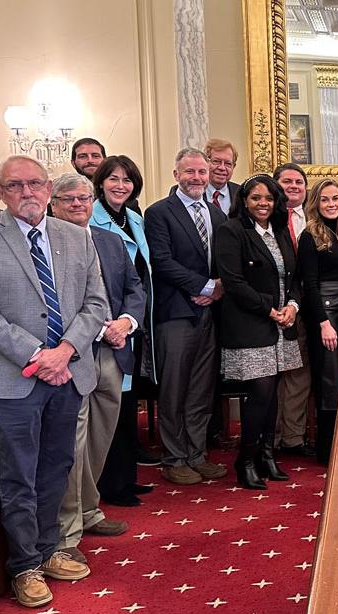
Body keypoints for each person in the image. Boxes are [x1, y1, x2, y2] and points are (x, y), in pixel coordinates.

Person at [0, 155, 108, 607]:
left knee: (57, 467)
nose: (28, 193)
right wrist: (38, 355)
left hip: (69, 372)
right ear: (2, 192)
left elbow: (96, 304)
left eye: (36, 184)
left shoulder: (76, 236)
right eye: (16, 185)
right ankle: (23, 565)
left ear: (48, 188)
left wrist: (64, 352)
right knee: (19, 473)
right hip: (10, 378)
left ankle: (50, 548)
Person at [51, 172, 145, 563]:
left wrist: (127, 322)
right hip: (73, 354)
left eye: (84, 198)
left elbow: (134, 287)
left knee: (101, 436)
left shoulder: (109, 239)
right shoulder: (48, 243)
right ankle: (67, 529)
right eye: (68, 199)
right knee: (73, 441)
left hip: (114, 351)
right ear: (53, 204)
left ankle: (89, 509)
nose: (77, 205)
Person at [145, 148, 229, 485]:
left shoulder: (216, 214)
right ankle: (174, 457)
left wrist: (217, 287)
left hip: (209, 314)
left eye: (201, 172)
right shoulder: (159, 213)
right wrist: (205, 286)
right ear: (176, 174)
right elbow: (162, 262)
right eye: (189, 172)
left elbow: (222, 260)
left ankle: (197, 454)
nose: (196, 178)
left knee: (200, 388)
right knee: (174, 389)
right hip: (176, 312)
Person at [215, 174, 302, 489]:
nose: (263, 204)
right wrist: (269, 310)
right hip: (250, 324)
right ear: (244, 201)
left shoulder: (279, 231)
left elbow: (294, 278)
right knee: (259, 393)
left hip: (281, 324)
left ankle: (267, 456)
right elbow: (233, 282)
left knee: (273, 392)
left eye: (268, 198)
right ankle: (246, 459)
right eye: (256, 198)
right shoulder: (231, 231)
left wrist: (292, 306)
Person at [88, 155, 162, 503]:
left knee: (128, 401)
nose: (121, 185)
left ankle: (126, 476)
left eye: (127, 179)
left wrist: (134, 317)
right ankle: (110, 485)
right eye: (113, 178)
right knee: (110, 405)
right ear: (100, 182)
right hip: (106, 324)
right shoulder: (91, 218)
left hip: (135, 318)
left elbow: (141, 272)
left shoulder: (134, 217)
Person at [298, 178, 338, 465]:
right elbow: (309, 283)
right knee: (329, 382)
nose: (332, 204)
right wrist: (323, 323)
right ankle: (327, 450)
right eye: (325, 199)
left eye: (336, 199)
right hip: (327, 316)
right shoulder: (310, 235)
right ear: (316, 203)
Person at [273, 162, 314, 456]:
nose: (294, 186)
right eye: (287, 181)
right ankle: (270, 437)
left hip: (310, 306)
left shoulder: (314, 217)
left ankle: (293, 437)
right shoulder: (266, 218)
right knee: (273, 375)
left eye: (299, 182)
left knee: (300, 374)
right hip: (274, 308)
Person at [206, 138, 241, 215]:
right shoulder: (193, 191)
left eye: (228, 163)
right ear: (206, 163)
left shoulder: (241, 193)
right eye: (216, 161)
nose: (222, 168)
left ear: (233, 166)